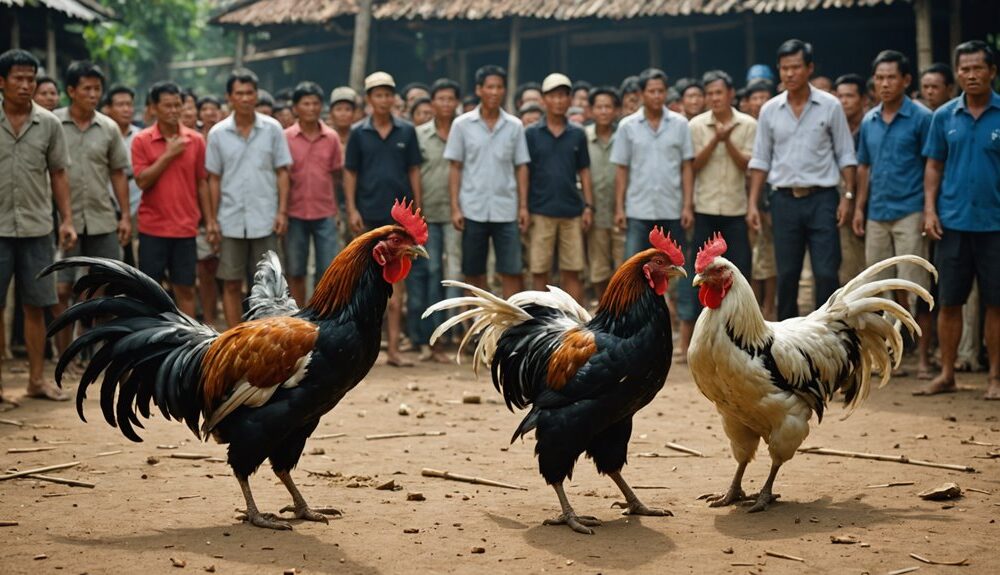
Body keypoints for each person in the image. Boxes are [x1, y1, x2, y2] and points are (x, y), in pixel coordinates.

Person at [748, 39, 857, 321]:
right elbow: (760, 160)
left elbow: (846, 154)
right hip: (784, 200)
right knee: (787, 275)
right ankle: (786, 345)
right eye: (784, 68)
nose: (790, 74)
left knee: (826, 272)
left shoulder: (830, 106)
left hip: (823, 199)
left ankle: (828, 334)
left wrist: (848, 197)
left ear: (809, 68)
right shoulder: (770, 109)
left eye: (796, 67)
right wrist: (752, 204)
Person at [920, 41, 1000, 400]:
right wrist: (930, 209)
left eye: (977, 68)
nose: (970, 74)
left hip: (995, 225)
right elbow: (934, 166)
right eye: (964, 69)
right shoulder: (943, 117)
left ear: (992, 71)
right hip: (952, 222)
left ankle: (995, 378)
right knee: (949, 302)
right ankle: (948, 373)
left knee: (996, 303)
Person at [0, 49, 77, 407]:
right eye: (18, 78)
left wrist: (67, 219)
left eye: (31, 78)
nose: (26, 85)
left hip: (35, 227)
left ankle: (35, 380)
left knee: (37, 306)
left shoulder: (48, 123)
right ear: (2, 82)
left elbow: (59, 173)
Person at [851, 50, 934, 380]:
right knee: (876, 289)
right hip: (877, 213)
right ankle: (884, 356)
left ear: (906, 80)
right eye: (879, 78)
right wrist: (859, 206)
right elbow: (864, 167)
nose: (884, 83)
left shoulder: (922, 118)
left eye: (891, 77)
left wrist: (929, 209)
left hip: (910, 211)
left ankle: (925, 359)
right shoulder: (870, 120)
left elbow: (932, 164)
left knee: (915, 286)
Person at [611, 67, 696, 358]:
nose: (657, 96)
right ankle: (632, 340)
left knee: (681, 276)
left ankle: (684, 344)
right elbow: (621, 169)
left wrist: (687, 204)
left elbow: (687, 166)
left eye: (661, 91)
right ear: (641, 94)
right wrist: (619, 207)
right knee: (633, 277)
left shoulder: (680, 125)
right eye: (651, 91)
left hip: (672, 209)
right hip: (638, 210)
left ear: (666, 92)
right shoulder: (627, 126)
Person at [53, 61, 131, 362]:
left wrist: (124, 215)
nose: (93, 94)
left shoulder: (108, 127)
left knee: (104, 288)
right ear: (71, 90)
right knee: (61, 290)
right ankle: (64, 355)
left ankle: (101, 355)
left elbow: (118, 174)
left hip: (101, 217)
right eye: (86, 88)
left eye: (97, 88)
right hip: (63, 221)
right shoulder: (53, 124)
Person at [344, 71, 423, 367]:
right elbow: (350, 172)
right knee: (363, 286)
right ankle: (364, 352)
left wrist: (418, 206)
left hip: (399, 219)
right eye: (378, 94)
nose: (384, 99)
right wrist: (351, 208)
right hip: (368, 216)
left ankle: (393, 350)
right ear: (368, 100)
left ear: (394, 98)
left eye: (388, 94)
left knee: (397, 286)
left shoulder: (407, 131)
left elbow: (414, 170)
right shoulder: (358, 133)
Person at [206, 68, 292, 328]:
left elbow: (282, 172)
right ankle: (234, 341)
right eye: (239, 93)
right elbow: (214, 179)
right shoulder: (218, 133)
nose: (245, 98)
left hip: (265, 218)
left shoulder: (273, 129)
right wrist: (212, 219)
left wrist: (282, 212)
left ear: (256, 95)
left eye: (249, 92)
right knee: (231, 282)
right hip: (230, 219)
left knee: (269, 284)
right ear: (229, 97)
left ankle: (266, 341)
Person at [131, 81, 215, 318]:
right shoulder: (142, 140)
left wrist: (209, 221)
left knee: (186, 289)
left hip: (185, 228)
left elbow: (202, 182)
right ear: (153, 108)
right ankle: (150, 343)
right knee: (149, 291)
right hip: (152, 228)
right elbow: (142, 181)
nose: (174, 110)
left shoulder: (196, 140)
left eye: (177, 105)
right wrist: (169, 155)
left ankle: (186, 343)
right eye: (167, 105)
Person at [445, 64, 529, 299]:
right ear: (479, 90)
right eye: (489, 87)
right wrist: (455, 207)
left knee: (511, 270)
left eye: (499, 87)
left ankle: (509, 329)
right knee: (473, 271)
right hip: (472, 208)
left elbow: (521, 166)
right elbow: (455, 167)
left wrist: (523, 206)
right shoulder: (461, 125)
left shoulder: (514, 126)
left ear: (504, 90)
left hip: (506, 208)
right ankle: (475, 327)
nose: (494, 92)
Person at [525, 73, 593, 303]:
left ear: (570, 99)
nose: (559, 100)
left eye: (563, 95)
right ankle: (539, 323)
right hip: (540, 209)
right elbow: (525, 173)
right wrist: (523, 207)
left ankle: (574, 325)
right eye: (553, 95)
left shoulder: (577, 133)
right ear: (543, 100)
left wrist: (588, 205)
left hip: (571, 211)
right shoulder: (531, 133)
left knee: (572, 270)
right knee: (539, 270)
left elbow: (584, 171)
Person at [412, 78, 461, 364]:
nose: (445, 104)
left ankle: (446, 337)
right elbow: (415, 173)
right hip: (427, 214)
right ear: (432, 103)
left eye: (450, 99)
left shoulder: (464, 130)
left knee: (451, 275)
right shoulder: (419, 135)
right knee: (429, 274)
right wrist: (418, 208)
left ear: (456, 102)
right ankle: (424, 338)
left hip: (455, 214)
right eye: (440, 99)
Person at [690, 70, 756, 283]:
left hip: (736, 208)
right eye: (709, 93)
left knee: (740, 267)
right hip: (704, 208)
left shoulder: (747, 124)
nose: (714, 98)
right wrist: (714, 140)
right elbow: (693, 165)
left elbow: (747, 165)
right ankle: (704, 315)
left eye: (719, 92)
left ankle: (738, 315)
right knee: (703, 270)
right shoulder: (695, 125)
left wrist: (727, 141)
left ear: (731, 94)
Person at [284, 81, 343, 306]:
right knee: (296, 270)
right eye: (305, 103)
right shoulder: (285, 137)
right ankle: (297, 317)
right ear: (296, 108)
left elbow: (337, 174)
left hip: (325, 212)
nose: (311, 108)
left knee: (327, 270)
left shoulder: (332, 137)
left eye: (315, 103)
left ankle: (320, 317)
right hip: (294, 211)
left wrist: (336, 209)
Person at [585, 86, 625, 301]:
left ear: (616, 110)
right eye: (598, 107)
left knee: (623, 266)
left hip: (622, 211)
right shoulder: (583, 137)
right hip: (596, 211)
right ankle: (603, 308)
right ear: (590, 110)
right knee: (598, 268)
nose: (603, 111)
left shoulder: (625, 135)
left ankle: (622, 311)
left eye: (608, 107)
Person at [745, 79, 778, 321]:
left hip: (773, 201)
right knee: (754, 260)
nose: (759, 102)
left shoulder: (777, 124)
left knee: (773, 260)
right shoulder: (746, 128)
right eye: (754, 98)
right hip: (748, 202)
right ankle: (755, 311)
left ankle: (771, 308)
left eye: (763, 97)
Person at [834, 73, 868, 285]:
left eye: (849, 96)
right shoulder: (834, 128)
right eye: (840, 96)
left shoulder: (873, 125)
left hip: (874, 205)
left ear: (864, 99)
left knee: (875, 267)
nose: (843, 101)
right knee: (848, 268)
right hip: (841, 204)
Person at [105, 85, 141, 266]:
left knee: (134, 254)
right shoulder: (102, 134)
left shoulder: (141, 137)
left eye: (129, 104)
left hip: (137, 199)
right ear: (108, 108)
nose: (126, 109)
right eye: (120, 105)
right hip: (107, 200)